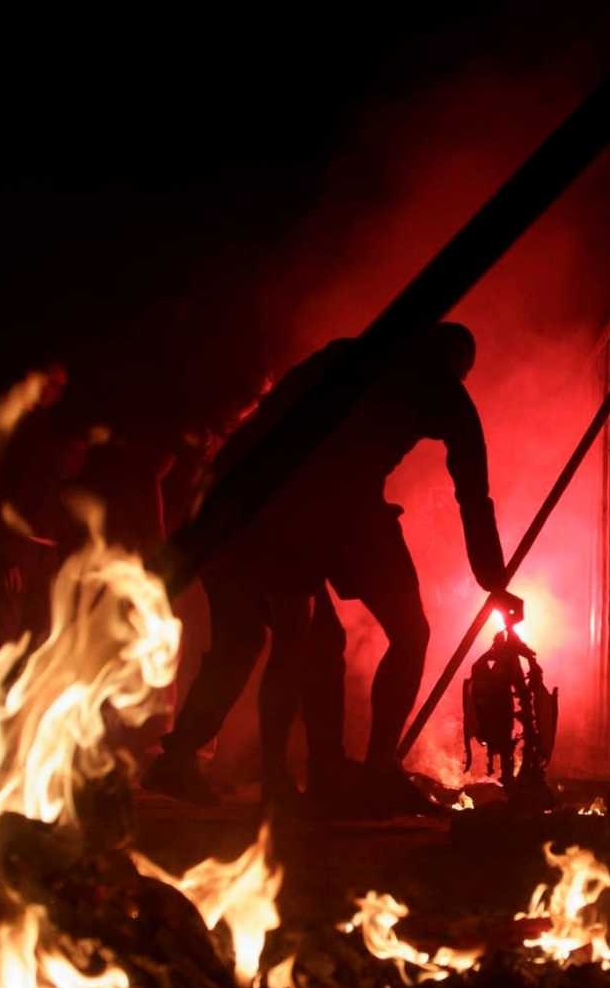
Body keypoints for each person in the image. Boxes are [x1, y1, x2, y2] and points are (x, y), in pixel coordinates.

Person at [145, 322, 509, 816]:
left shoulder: (366, 365)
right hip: (278, 505)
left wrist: (494, 581)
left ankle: (318, 771)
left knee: (275, 640)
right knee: (335, 637)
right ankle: (342, 773)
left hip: (263, 501)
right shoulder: (416, 382)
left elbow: (267, 421)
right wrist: (494, 581)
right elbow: (472, 493)